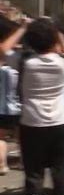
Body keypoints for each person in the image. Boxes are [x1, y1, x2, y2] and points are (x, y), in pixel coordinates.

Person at [18, 18, 64, 195]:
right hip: (61, 122)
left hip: (31, 123)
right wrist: (58, 33)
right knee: (60, 170)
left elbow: (2, 49)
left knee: (34, 174)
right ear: (54, 39)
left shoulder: (25, 62)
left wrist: (24, 27)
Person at [0, 20, 28, 175]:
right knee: (21, 137)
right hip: (21, 106)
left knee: (1, 136)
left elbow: (4, 48)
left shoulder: (8, 58)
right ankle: (24, 162)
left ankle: (3, 165)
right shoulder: (27, 58)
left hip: (3, 107)